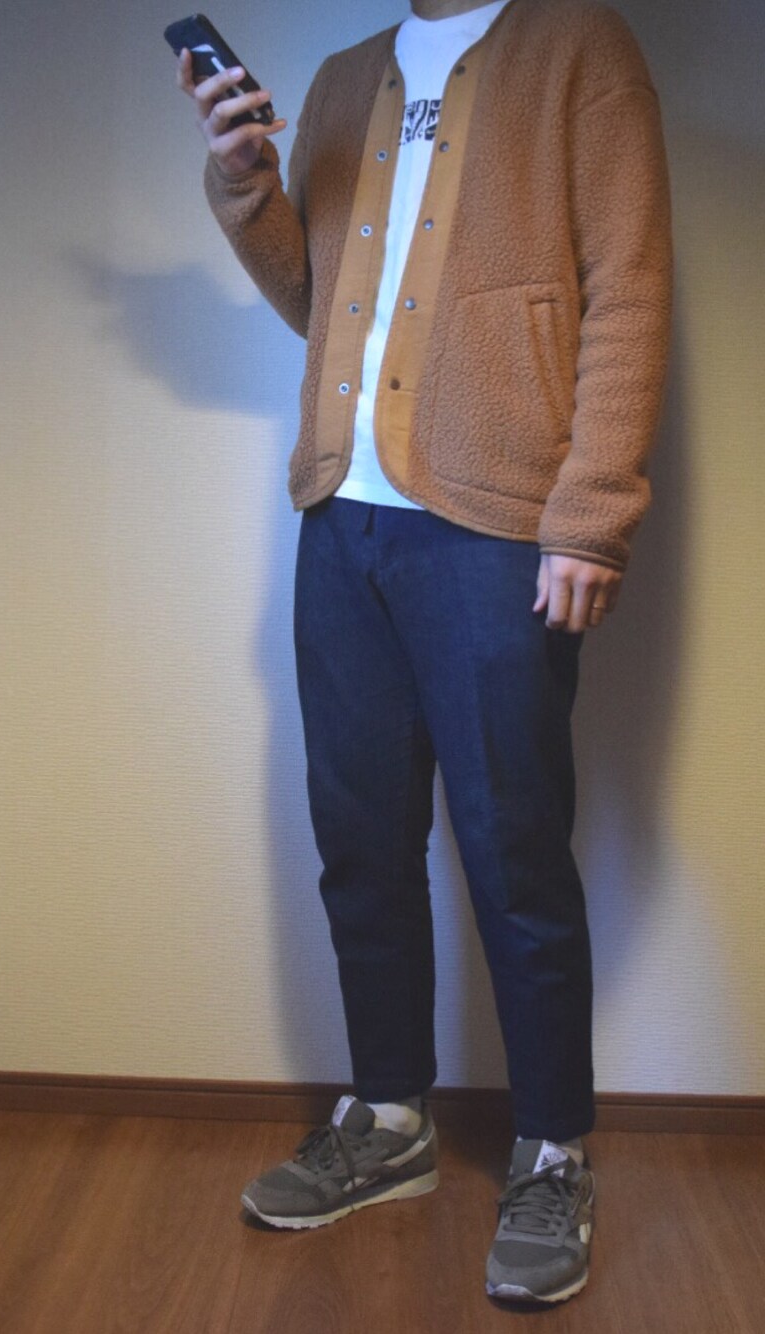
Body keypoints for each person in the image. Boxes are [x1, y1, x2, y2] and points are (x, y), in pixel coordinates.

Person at [176, 0, 672, 1306]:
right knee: (360, 839)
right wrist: (246, 179)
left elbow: (629, 285)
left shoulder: (579, 48)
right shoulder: (349, 78)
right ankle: (389, 1120)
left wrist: (593, 511)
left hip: (497, 528)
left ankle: (554, 1149)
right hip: (342, 522)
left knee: (515, 847)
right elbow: (317, 296)